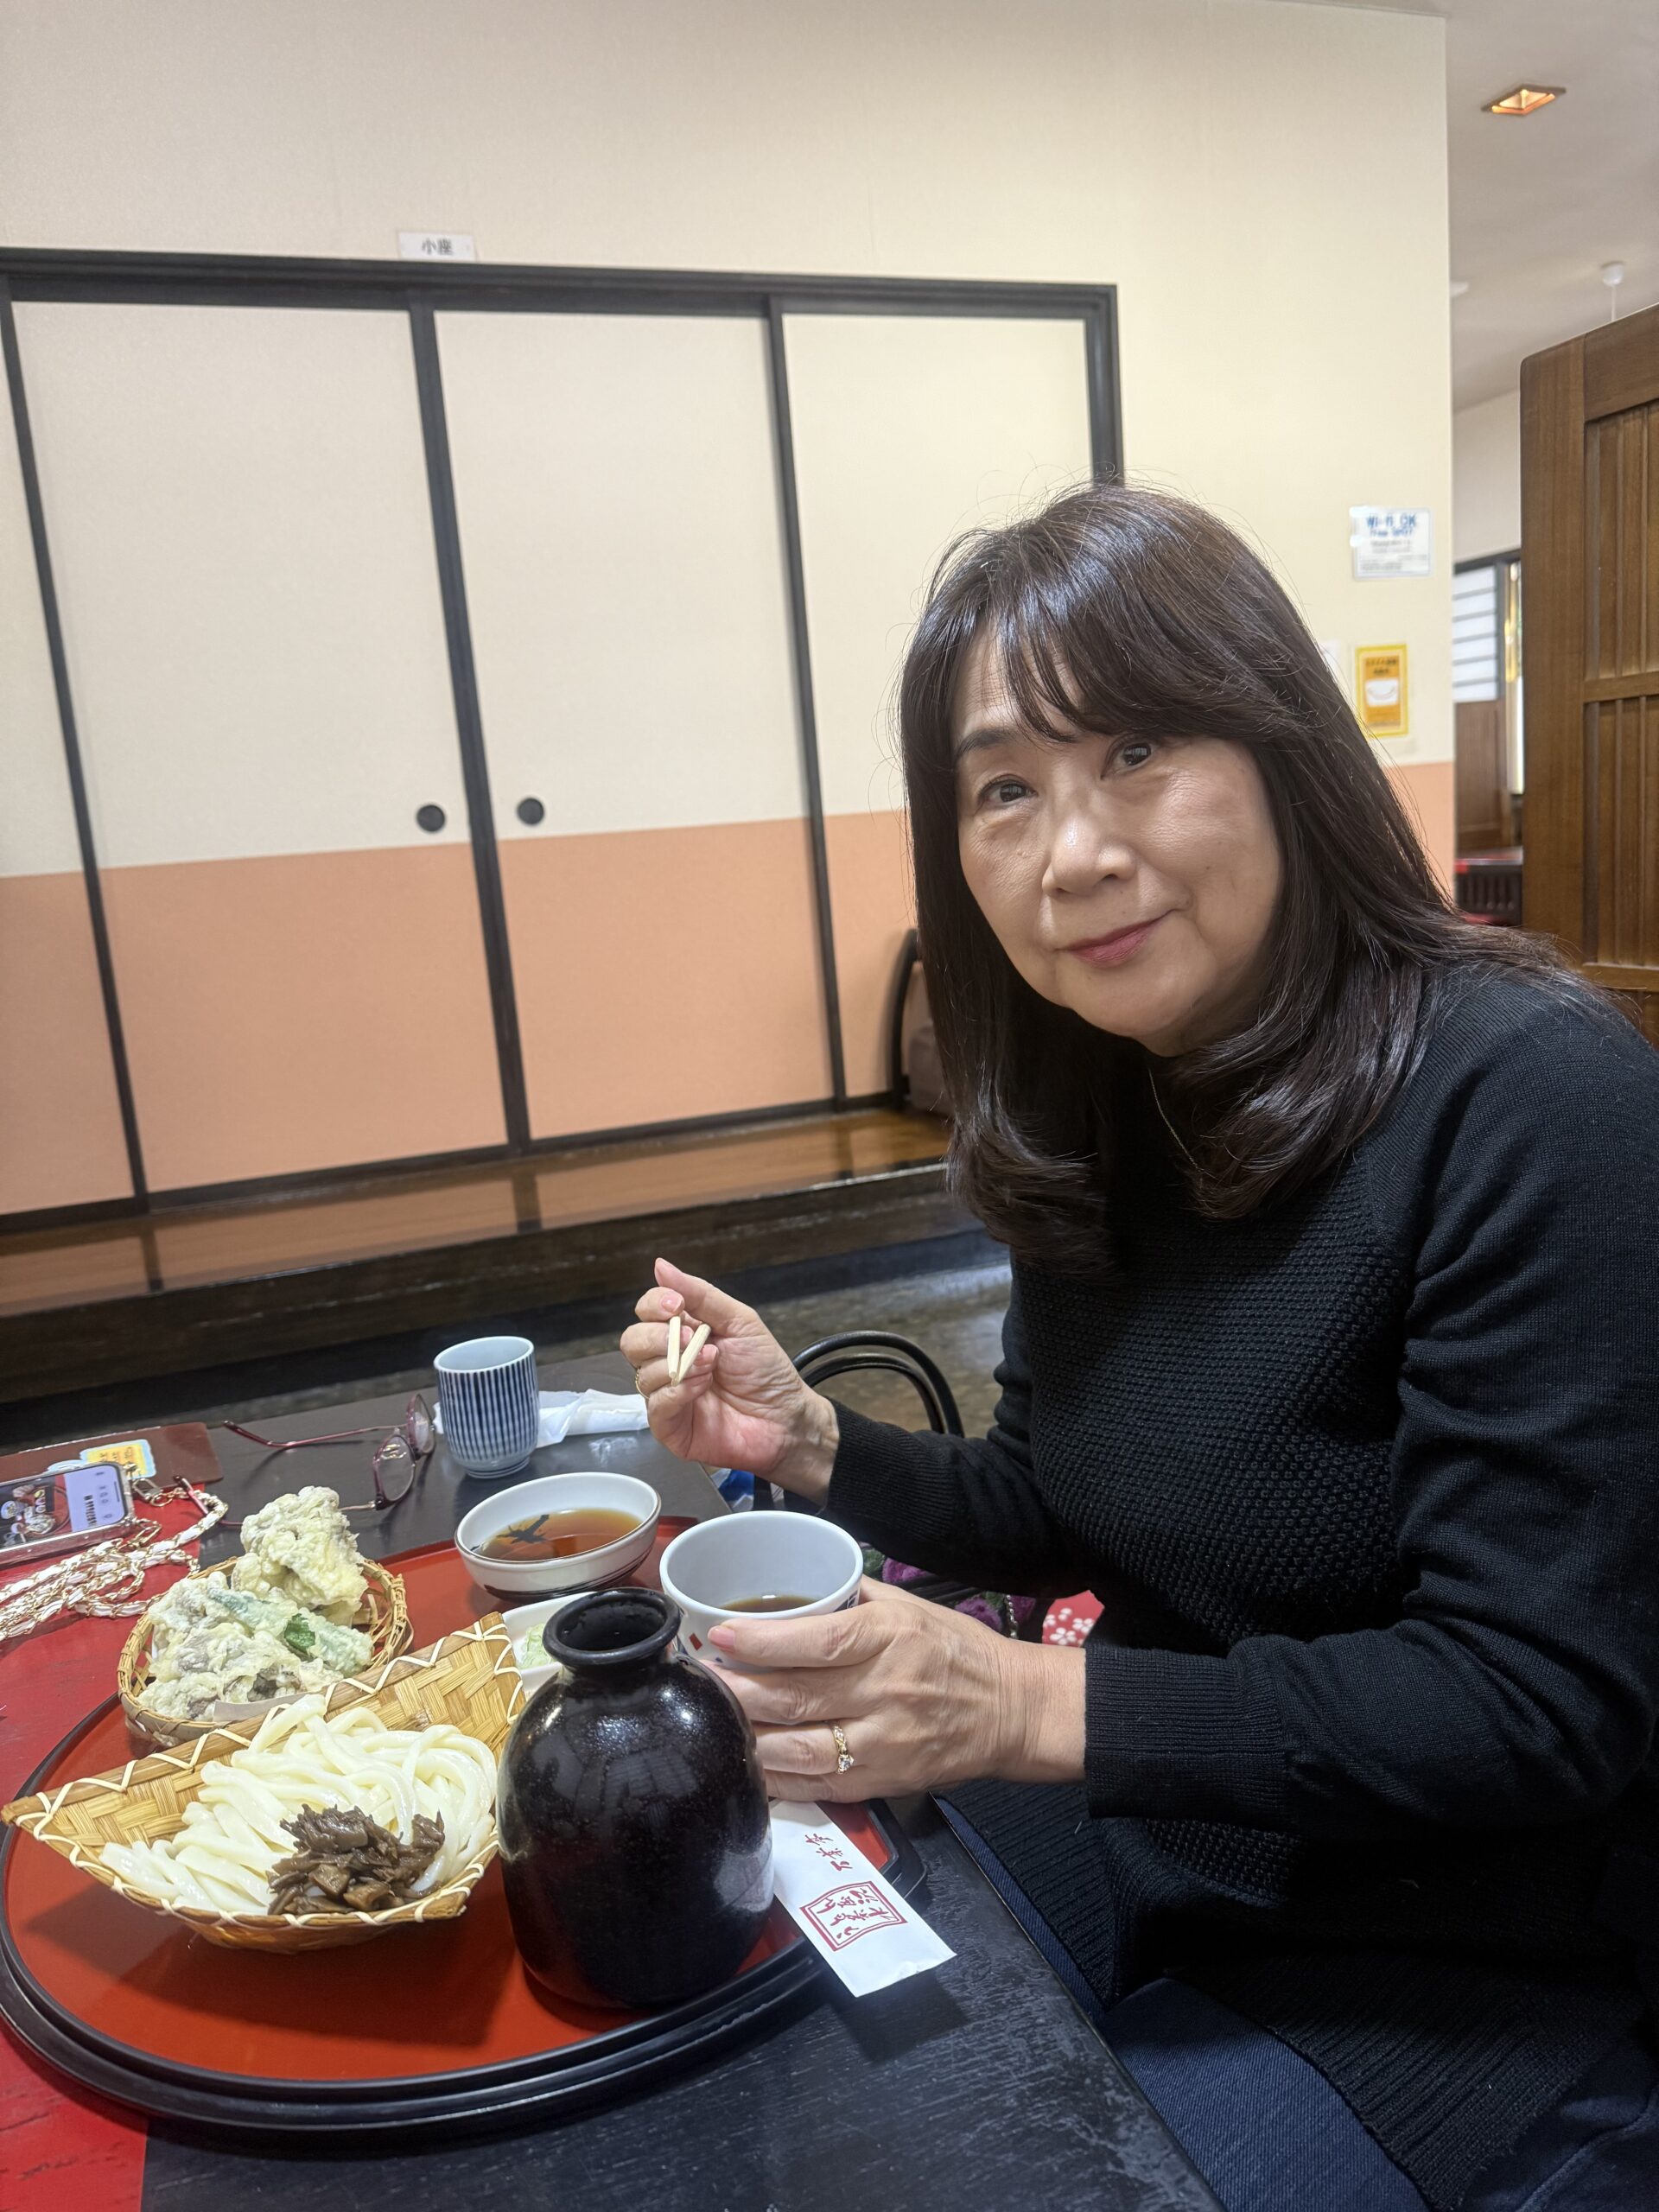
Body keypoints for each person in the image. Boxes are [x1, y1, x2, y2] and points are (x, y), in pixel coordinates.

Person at [623, 484, 1659, 2210]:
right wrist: (810, 1440)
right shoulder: (1111, 1099)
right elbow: (1068, 1486)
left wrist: (1021, 1695)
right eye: (1005, 787)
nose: (1072, 848)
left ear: (1283, 752)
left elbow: (1534, 1700)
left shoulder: (1536, 1096)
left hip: (1486, 1963)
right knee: (745, 2013)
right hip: (1172, 1843)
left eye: (1140, 749)